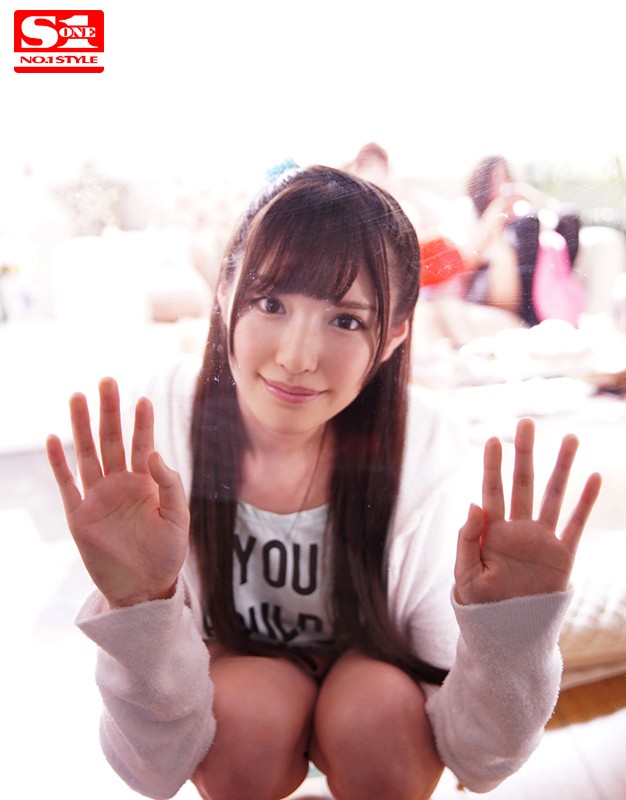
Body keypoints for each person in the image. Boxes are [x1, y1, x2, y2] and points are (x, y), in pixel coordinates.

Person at [46, 164, 602, 800]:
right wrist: (140, 605)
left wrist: (511, 635)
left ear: (394, 335)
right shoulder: (164, 424)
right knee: (249, 719)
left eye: (346, 321)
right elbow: (152, 768)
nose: (296, 357)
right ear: (225, 291)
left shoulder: (423, 445)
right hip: (226, 690)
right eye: (271, 304)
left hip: (378, 689)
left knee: (376, 713)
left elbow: (480, 759)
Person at [443, 154, 582, 326]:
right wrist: (493, 217)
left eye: (505, 179)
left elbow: (555, 210)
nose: (500, 186)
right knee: (504, 252)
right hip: (482, 281)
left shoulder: (516, 210)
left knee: (564, 216)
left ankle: (543, 311)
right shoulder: (466, 209)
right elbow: (465, 260)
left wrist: (525, 192)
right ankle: (535, 315)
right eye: (494, 178)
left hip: (518, 282)